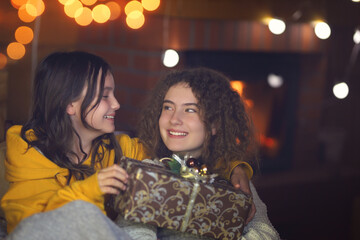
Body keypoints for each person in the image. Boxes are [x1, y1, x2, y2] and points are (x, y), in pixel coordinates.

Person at [0, 52, 252, 239]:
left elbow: (181, 154)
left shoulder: (123, 149)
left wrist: (234, 167)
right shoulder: (28, 153)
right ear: (70, 105)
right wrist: (90, 189)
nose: (117, 104)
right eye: (104, 96)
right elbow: (26, 229)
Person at [118, 68, 280, 240]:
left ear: (215, 123)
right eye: (168, 107)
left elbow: (267, 234)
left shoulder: (234, 181)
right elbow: (133, 232)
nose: (174, 119)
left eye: (190, 110)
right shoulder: (149, 175)